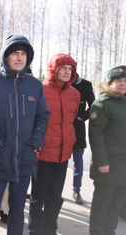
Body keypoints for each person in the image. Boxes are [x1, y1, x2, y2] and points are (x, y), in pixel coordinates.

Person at [0, 34, 50, 235]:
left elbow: (43, 115)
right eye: (15, 54)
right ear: (6, 57)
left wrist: (34, 143)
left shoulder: (35, 86)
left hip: (24, 159)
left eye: (23, 54)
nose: (19, 58)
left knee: (17, 211)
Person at [28, 53, 80, 235]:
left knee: (55, 197)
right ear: (54, 70)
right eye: (63, 68)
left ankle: (50, 228)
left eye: (70, 69)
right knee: (37, 197)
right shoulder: (40, 89)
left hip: (63, 155)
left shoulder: (75, 94)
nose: (67, 72)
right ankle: (35, 230)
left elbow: (71, 120)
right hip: (42, 154)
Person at [88, 65, 126, 234]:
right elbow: (96, 136)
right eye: (118, 80)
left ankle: (109, 231)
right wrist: (102, 162)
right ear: (110, 83)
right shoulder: (102, 104)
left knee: (117, 203)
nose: (122, 84)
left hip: (123, 166)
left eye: (125, 80)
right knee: (102, 204)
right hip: (108, 165)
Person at [71, 73, 95, 205]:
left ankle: (76, 190)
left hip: (78, 128)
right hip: (60, 127)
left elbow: (93, 106)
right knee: (57, 163)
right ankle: (52, 191)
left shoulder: (85, 85)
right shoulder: (61, 82)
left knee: (78, 163)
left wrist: (82, 117)